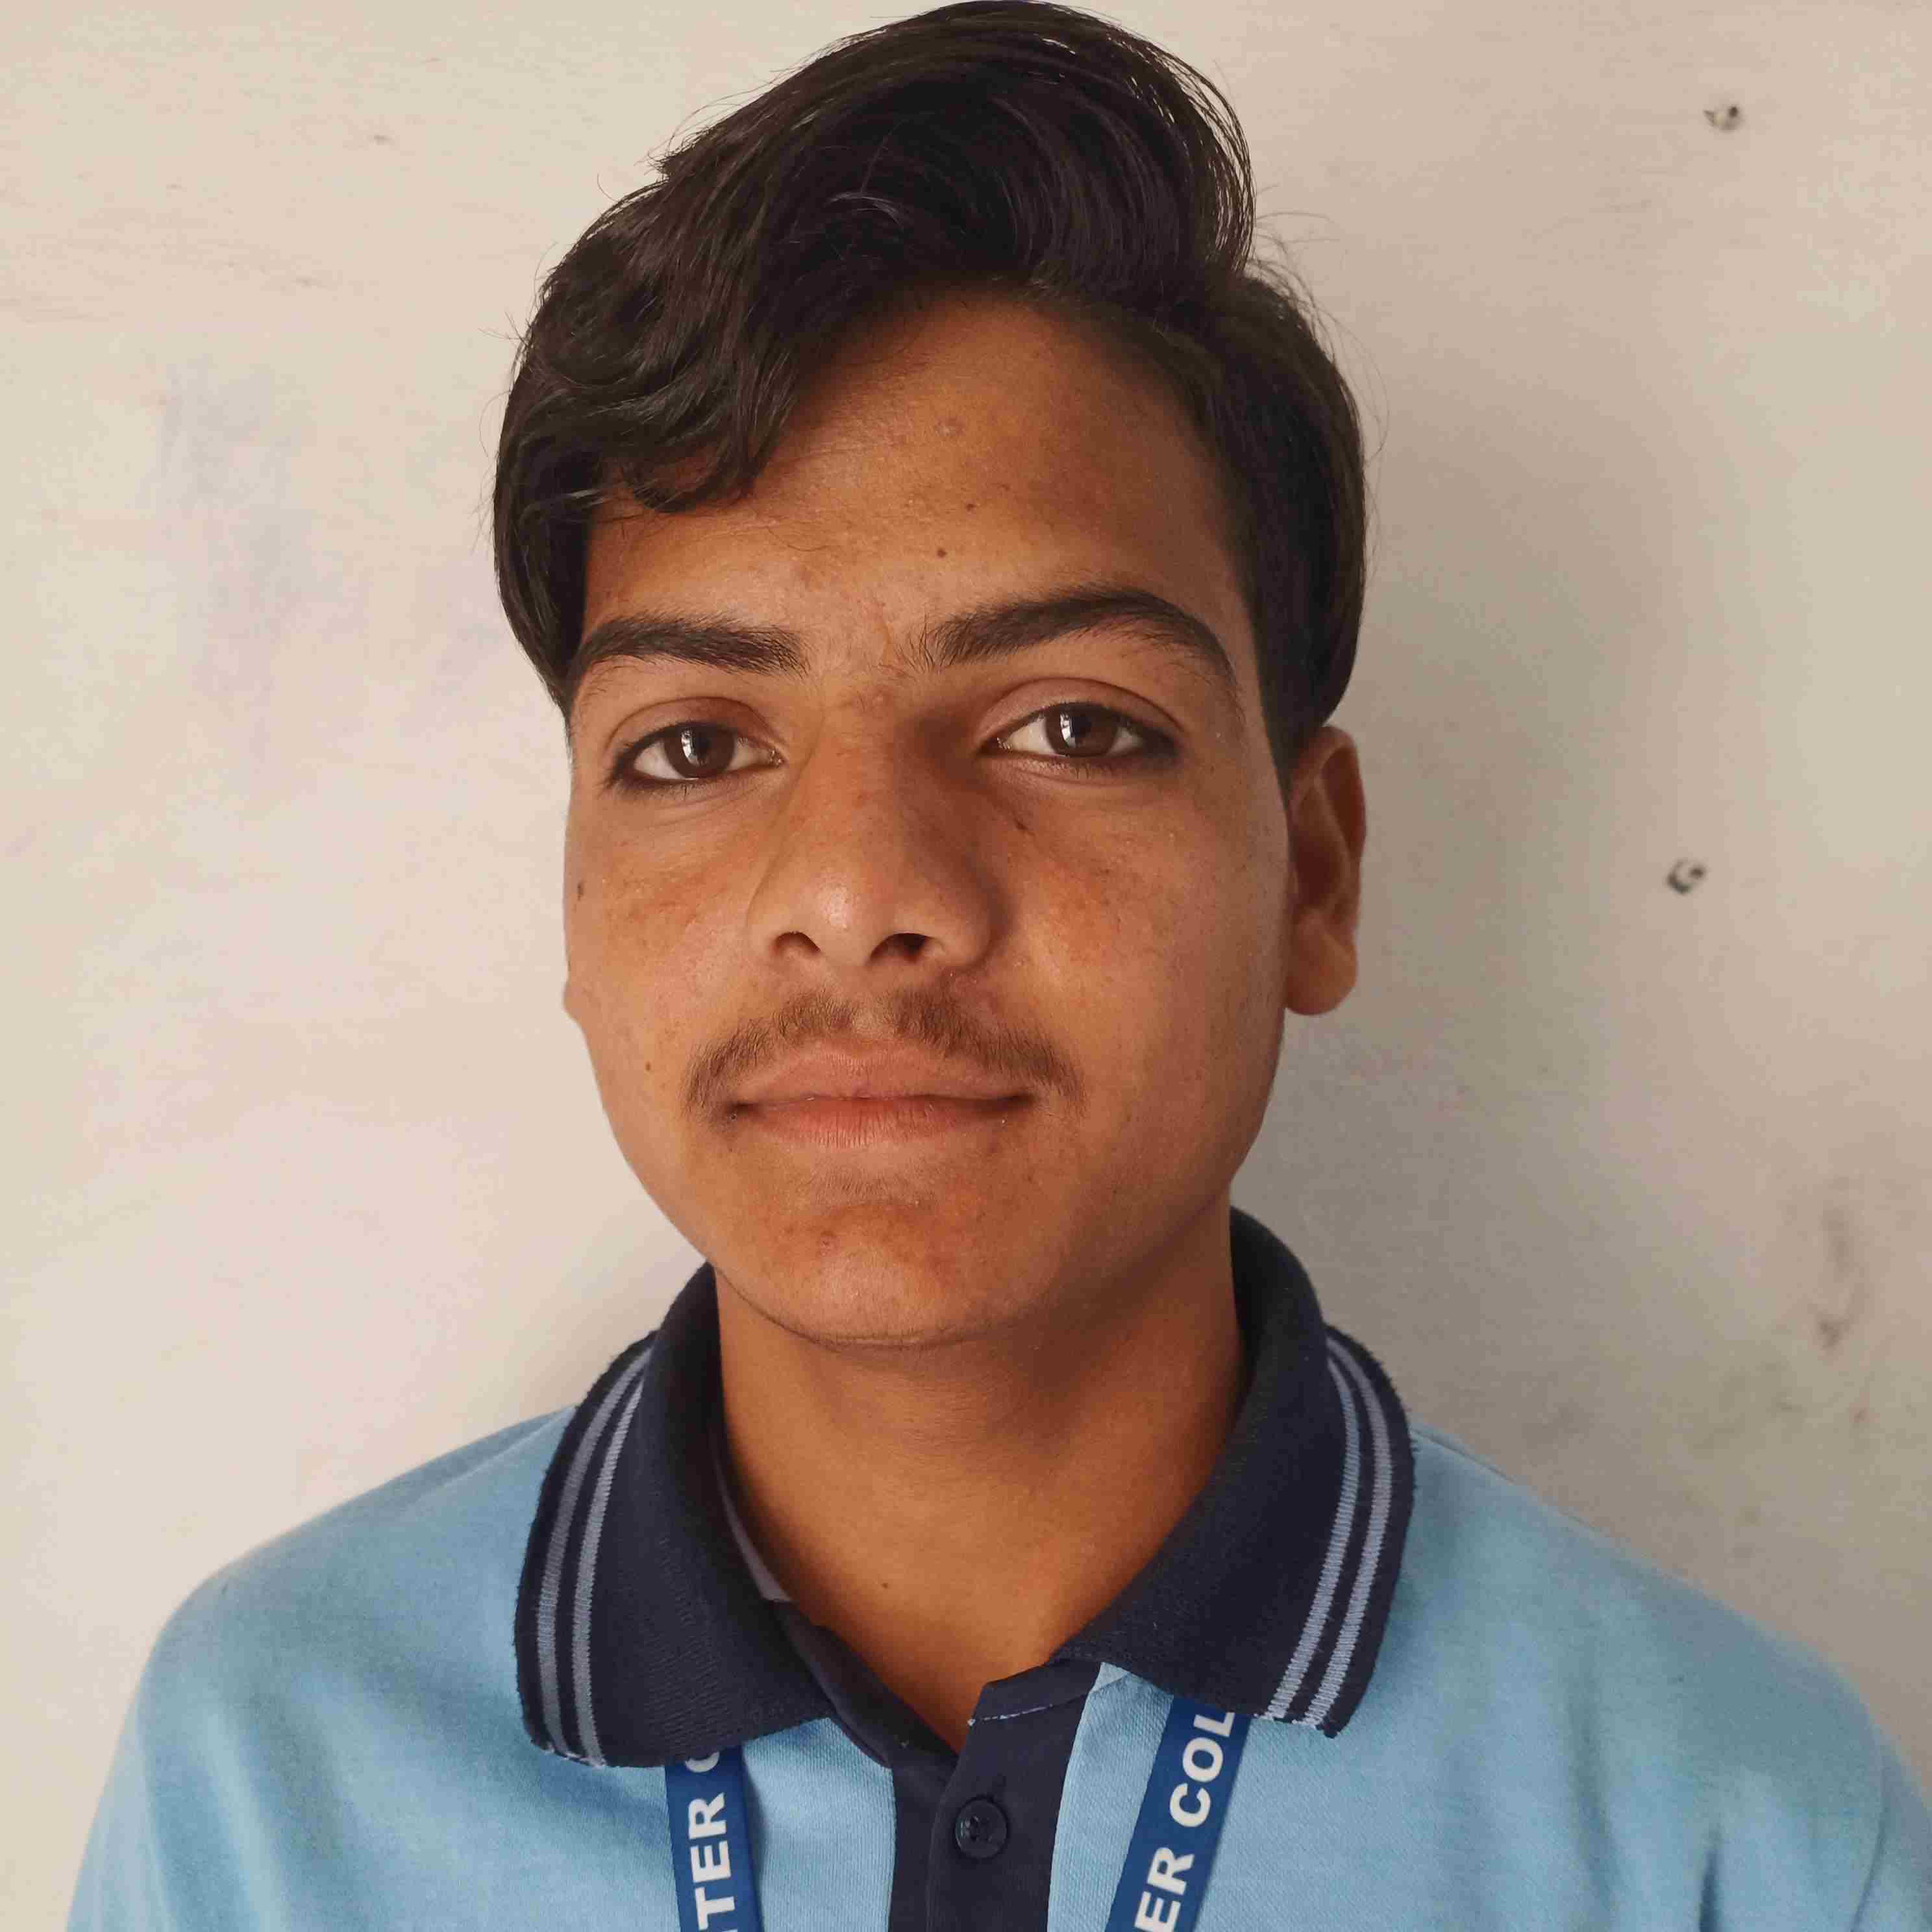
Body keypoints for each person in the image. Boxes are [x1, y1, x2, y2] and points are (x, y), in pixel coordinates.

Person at [69, 4, 1931, 1927]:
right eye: (695, 747)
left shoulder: (1732, 1836)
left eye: (1071, 726)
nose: (861, 888)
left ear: (1315, 872)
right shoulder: (276, 1778)